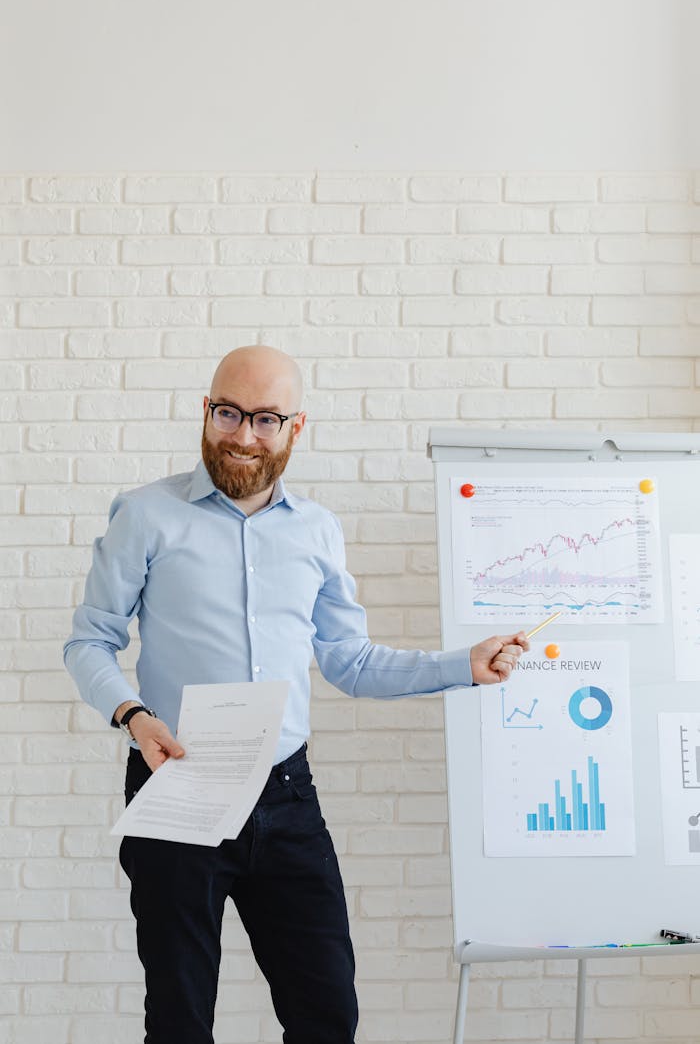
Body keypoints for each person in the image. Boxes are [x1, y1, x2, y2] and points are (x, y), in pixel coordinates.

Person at [64, 345, 529, 1044]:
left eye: (265, 419)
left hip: (286, 798)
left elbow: (349, 662)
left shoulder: (317, 531)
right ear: (206, 411)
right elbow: (89, 641)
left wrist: (462, 665)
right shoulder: (147, 516)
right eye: (229, 413)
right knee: (180, 1022)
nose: (244, 436)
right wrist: (133, 715)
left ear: (294, 428)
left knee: (327, 1015)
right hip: (177, 786)